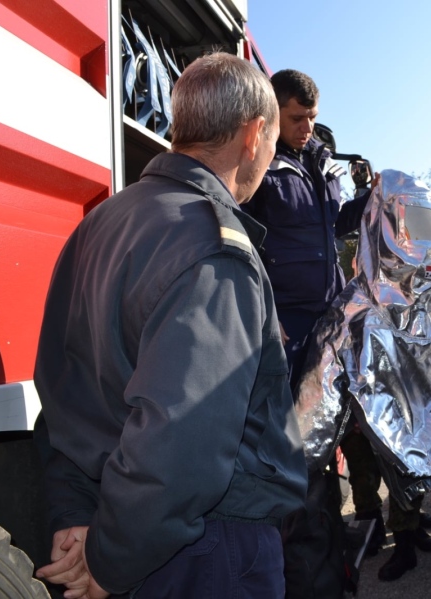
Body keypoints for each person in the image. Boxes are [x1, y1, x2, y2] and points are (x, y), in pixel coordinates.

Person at [33, 53, 307, 599]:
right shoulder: (212, 243)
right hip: (202, 547)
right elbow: (184, 439)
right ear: (253, 135)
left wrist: (78, 517)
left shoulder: (99, 224)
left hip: (125, 528)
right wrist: (109, 560)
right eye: (275, 141)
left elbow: (65, 394)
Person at [242, 68, 376, 597]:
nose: (307, 127)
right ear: (273, 114)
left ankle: (326, 560)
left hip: (324, 332)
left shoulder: (317, 160)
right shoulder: (257, 162)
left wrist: (371, 201)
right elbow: (239, 234)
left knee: (321, 455)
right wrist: (260, 310)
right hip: (284, 335)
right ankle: (297, 566)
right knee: (292, 458)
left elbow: (334, 224)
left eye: (313, 118)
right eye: (297, 119)